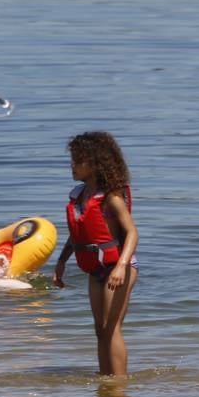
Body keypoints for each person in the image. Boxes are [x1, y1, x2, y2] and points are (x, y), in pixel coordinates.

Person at [53, 132, 138, 376]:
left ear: (95, 163)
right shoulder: (80, 196)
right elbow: (79, 233)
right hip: (96, 269)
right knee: (99, 330)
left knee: (111, 329)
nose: (72, 165)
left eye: (78, 160)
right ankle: (106, 381)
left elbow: (132, 233)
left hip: (119, 267)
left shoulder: (111, 196)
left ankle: (119, 384)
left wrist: (121, 266)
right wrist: (61, 261)